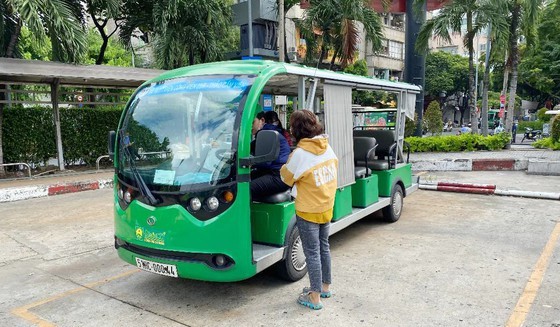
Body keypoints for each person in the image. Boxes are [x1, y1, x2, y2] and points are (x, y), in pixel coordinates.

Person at [280, 110, 338, 310]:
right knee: (324, 247)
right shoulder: (327, 147)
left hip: (308, 210)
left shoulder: (300, 154)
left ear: (297, 129)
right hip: (326, 206)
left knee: (311, 253)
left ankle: (314, 297)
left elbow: (286, 178)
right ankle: (325, 287)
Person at [250, 111, 291, 198]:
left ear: (262, 120)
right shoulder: (268, 133)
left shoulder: (267, 134)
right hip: (271, 172)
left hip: (278, 176)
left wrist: (250, 163)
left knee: (243, 189)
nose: (250, 126)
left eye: (252, 122)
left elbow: (265, 161)